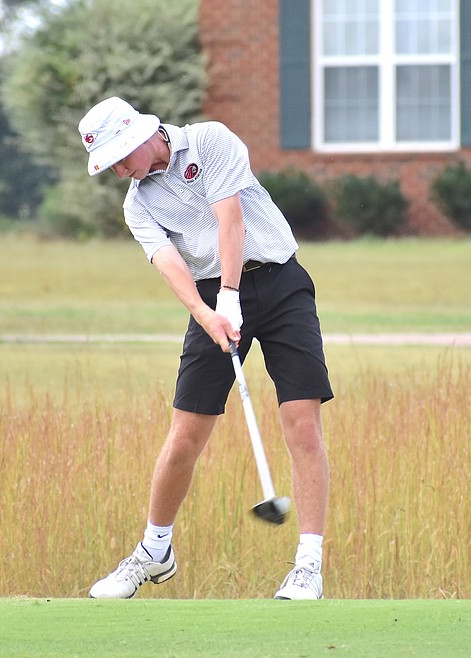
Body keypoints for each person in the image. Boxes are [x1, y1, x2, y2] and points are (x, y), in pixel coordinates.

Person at [77, 97, 333, 600]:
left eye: (119, 159)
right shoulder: (137, 203)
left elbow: (229, 221)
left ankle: (308, 566)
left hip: (280, 283)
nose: (118, 171)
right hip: (210, 300)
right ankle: (155, 551)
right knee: (185, 434)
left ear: (137, 136)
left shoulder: (210, 140)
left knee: (301, 421)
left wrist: (232, 297)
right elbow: (170, 264)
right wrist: (207, 312)